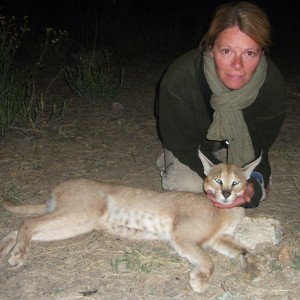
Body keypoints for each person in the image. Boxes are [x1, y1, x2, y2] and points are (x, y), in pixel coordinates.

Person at [155, 1, 286, 208]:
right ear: (211, 48)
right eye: (226, 51)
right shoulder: (179, 80)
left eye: (249, 53)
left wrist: (254, 185)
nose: (237, 65)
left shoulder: (273, 88)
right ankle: (168, 162)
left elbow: (259, 147)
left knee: (249, 193)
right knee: (186, 184)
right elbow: (182, 144)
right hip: (192, 148)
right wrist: (221, 179)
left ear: (262, 54)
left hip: (239, 150)